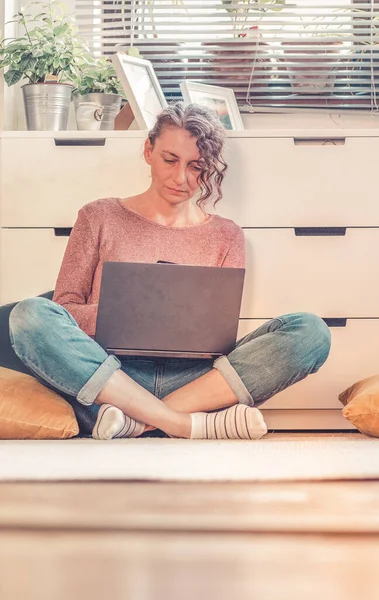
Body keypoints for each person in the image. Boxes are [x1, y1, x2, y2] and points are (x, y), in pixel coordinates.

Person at [8, 102, 331, 441]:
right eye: (170, 160)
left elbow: (219, 337)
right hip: (111, 373)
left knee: (311, 332)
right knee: (29, 314)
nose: (181, 178)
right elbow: (64, 310)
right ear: (148, 151)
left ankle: (137, 420)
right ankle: (182, 423)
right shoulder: (98, 216)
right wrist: (131, 315)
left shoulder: (226, 235)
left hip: (194, 380)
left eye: (195, 166)